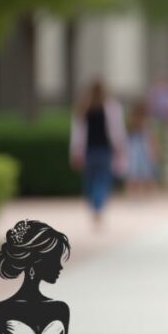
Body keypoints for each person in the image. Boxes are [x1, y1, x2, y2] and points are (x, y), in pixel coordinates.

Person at [0, 220, 72, 334]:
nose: (60, 267)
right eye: (55, 260)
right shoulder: (1, 310)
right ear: (35, 263)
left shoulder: (61, 309)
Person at [69, 79, 127, 229]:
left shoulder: (87, 107)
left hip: (92, 150)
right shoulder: (107, 107)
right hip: (101, 149)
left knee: (92, 180)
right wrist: (120, 146)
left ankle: (96, 205)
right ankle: (98, 205)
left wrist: (75, 150)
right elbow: (117, 129)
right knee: (100, 180)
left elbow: (77, 132)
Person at [124, 99, 158, 195]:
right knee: (139, 173)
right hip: (138, 150)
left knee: (141, 173)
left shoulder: (143, 123)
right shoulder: (135, 124)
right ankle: (144, 192)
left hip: (140, 149)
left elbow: (152, 137)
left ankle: (139, 192)